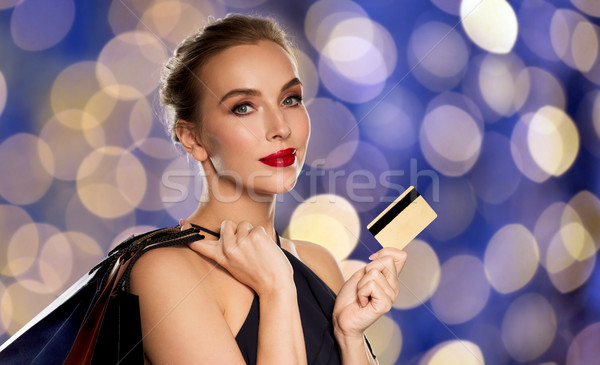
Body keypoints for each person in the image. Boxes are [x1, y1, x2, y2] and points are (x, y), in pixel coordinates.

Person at [129, 13, 407, 364]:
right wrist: (277, 291)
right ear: (192, 138)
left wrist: (350, 337)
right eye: (243, 107)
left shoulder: (317, 261)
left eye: (290, 99)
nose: (280, 128)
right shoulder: (164, 271)